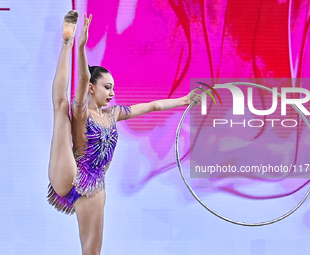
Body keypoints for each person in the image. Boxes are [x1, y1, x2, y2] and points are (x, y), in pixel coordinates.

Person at [47, 10, 202, 255]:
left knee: (92, 252)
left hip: (94, 187)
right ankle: (66, 41)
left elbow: (153, 106)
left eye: (113, 88)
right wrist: (79, 48)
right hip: (69, 173)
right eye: (107, 87)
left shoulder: (114, 113)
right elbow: (83, 76)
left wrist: (184, 100)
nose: (111, 93)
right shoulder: (82, 111)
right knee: (61, 107)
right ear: (91, 87)